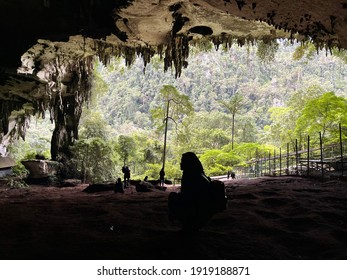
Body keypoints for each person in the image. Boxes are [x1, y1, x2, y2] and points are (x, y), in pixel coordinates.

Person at [168, 152, 227, 232]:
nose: (180, 163)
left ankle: (189, 223)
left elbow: (188, 197)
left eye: (182, 161)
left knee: (173, 197)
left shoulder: (190, 175)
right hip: (205, 207)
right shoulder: (199, 173)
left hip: (199, 209)